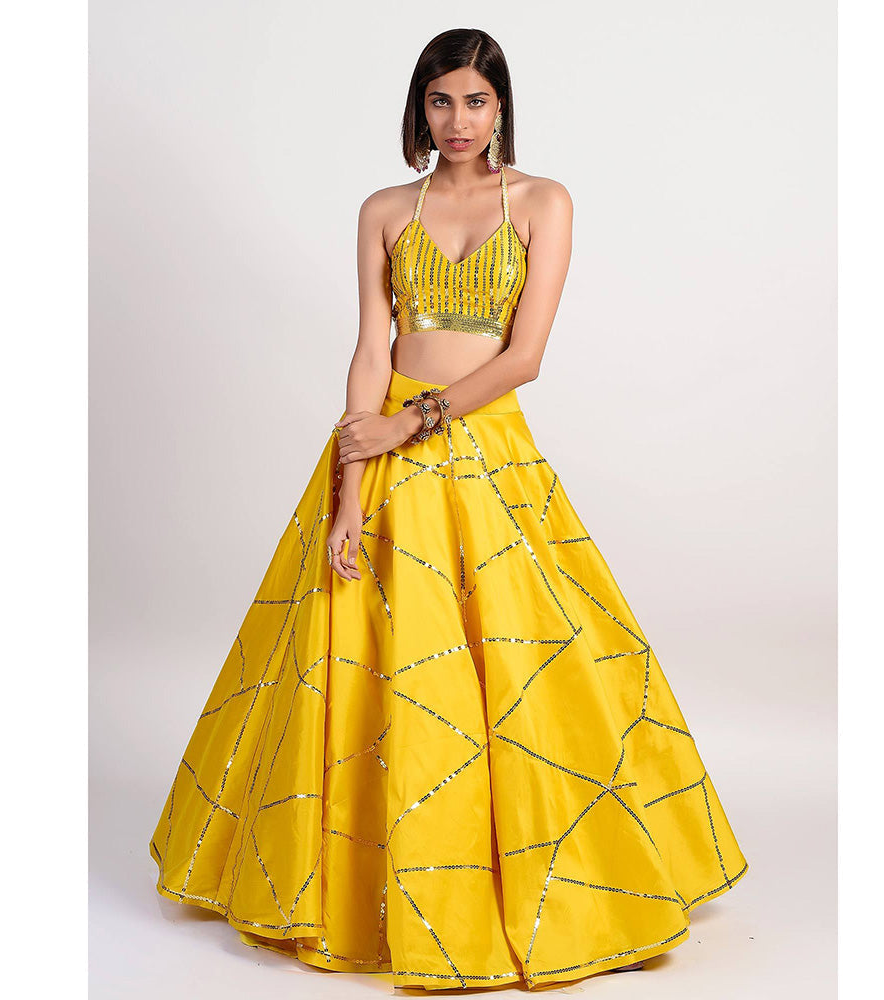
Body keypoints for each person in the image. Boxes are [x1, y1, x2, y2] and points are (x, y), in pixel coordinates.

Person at [148, 27, 748, 992]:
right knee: (363, 669)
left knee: (521, 662)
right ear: (418, 108)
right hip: (380, 454)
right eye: (440, 101)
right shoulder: (386, 209)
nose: (457, 120)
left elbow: (525, 357)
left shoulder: (541, 202)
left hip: (483, 449)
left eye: (474, 101)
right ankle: (362, 884)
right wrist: (350, 486)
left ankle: (542, 882)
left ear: (500, 106)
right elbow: (369, 349)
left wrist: (413, 423)